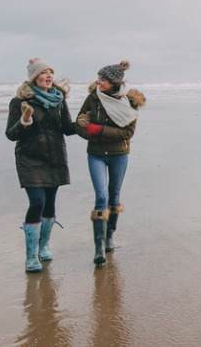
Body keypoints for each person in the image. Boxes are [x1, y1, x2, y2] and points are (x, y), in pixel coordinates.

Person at [5, 58, 77, 273]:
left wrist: (86, 124)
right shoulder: (19, 102)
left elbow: (67, 127)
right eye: (44, 73)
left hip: (54, 158)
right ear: (34, 77)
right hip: (30, 159)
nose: (49, 76)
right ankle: (31, 256)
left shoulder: (58, 99)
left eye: (50, 73)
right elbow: (11, 134)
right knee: (37, 202)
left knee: (50, 204)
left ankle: (43, 246)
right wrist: (25, 121)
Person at [76, 60, 146, 266]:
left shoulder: (130, 102)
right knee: (101, 196)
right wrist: (88, 130)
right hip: (96, 154)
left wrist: (97, 130)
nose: (98, 82)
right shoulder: (93, 98)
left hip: (119, 154)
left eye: (103, 79)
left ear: (114, 82)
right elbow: (80, 123)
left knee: (114, 196)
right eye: (98, 78)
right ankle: (98, 247)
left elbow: (128, 132)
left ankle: (109, 237)